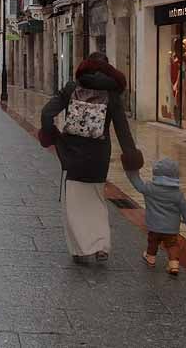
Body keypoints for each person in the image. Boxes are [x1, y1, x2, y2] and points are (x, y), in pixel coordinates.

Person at [39, 51, 142, 264]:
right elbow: (123, 131)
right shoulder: (112, 95)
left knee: (75, 203)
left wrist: (51, 136)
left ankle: (82, 248)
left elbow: (46, 113)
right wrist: (131, 158)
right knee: (96, 199)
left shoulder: (71, 88)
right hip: (99, 155)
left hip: (72, 153)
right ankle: (101, 245)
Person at [126, 158, 186, 276]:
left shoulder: (149, 188)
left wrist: (132, 172)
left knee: (153, 241)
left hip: (154, 226)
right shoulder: (177, 193)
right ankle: (174, 264)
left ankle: (151, 258)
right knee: (172, 244)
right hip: (171, 228)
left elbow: (137, 183)